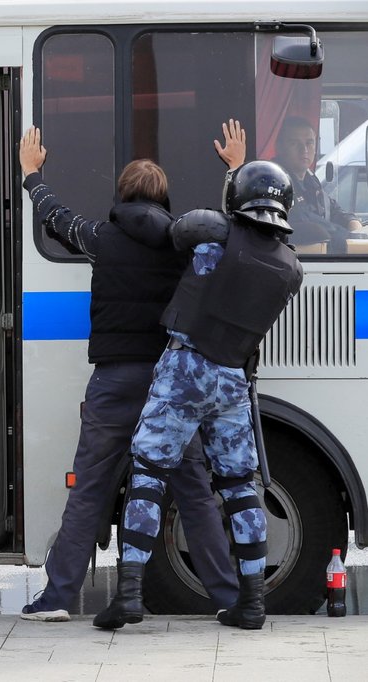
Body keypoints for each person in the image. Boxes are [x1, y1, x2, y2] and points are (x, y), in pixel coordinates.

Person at [16, 122, 245, 622]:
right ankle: (228, 597)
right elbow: (234, 229)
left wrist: (33, 175)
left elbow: (57, 219)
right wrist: (235, 171)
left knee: (91, 487)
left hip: (114, 382)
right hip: (169, 386)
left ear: (121, 194)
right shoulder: (181, 243)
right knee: (192, 490)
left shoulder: (102, 237)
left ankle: (57, 598)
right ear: (164, 198)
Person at [93, 160, 303, 631]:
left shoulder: (214, 229)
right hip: (232, 380)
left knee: (148, 475)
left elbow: (175, 232)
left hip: (185, 368)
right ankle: (250, 603)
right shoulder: (292, 268)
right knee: (238, 487)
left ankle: (128, 598)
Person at [272, 116, 362, 251]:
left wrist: (351, 221)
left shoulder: (310, 180)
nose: (304, 150)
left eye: (309, 143)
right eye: (294, 143)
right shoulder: (275, 181)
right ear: (280, 147)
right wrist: (346, 236)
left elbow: (331, 208)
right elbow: (306, 222)